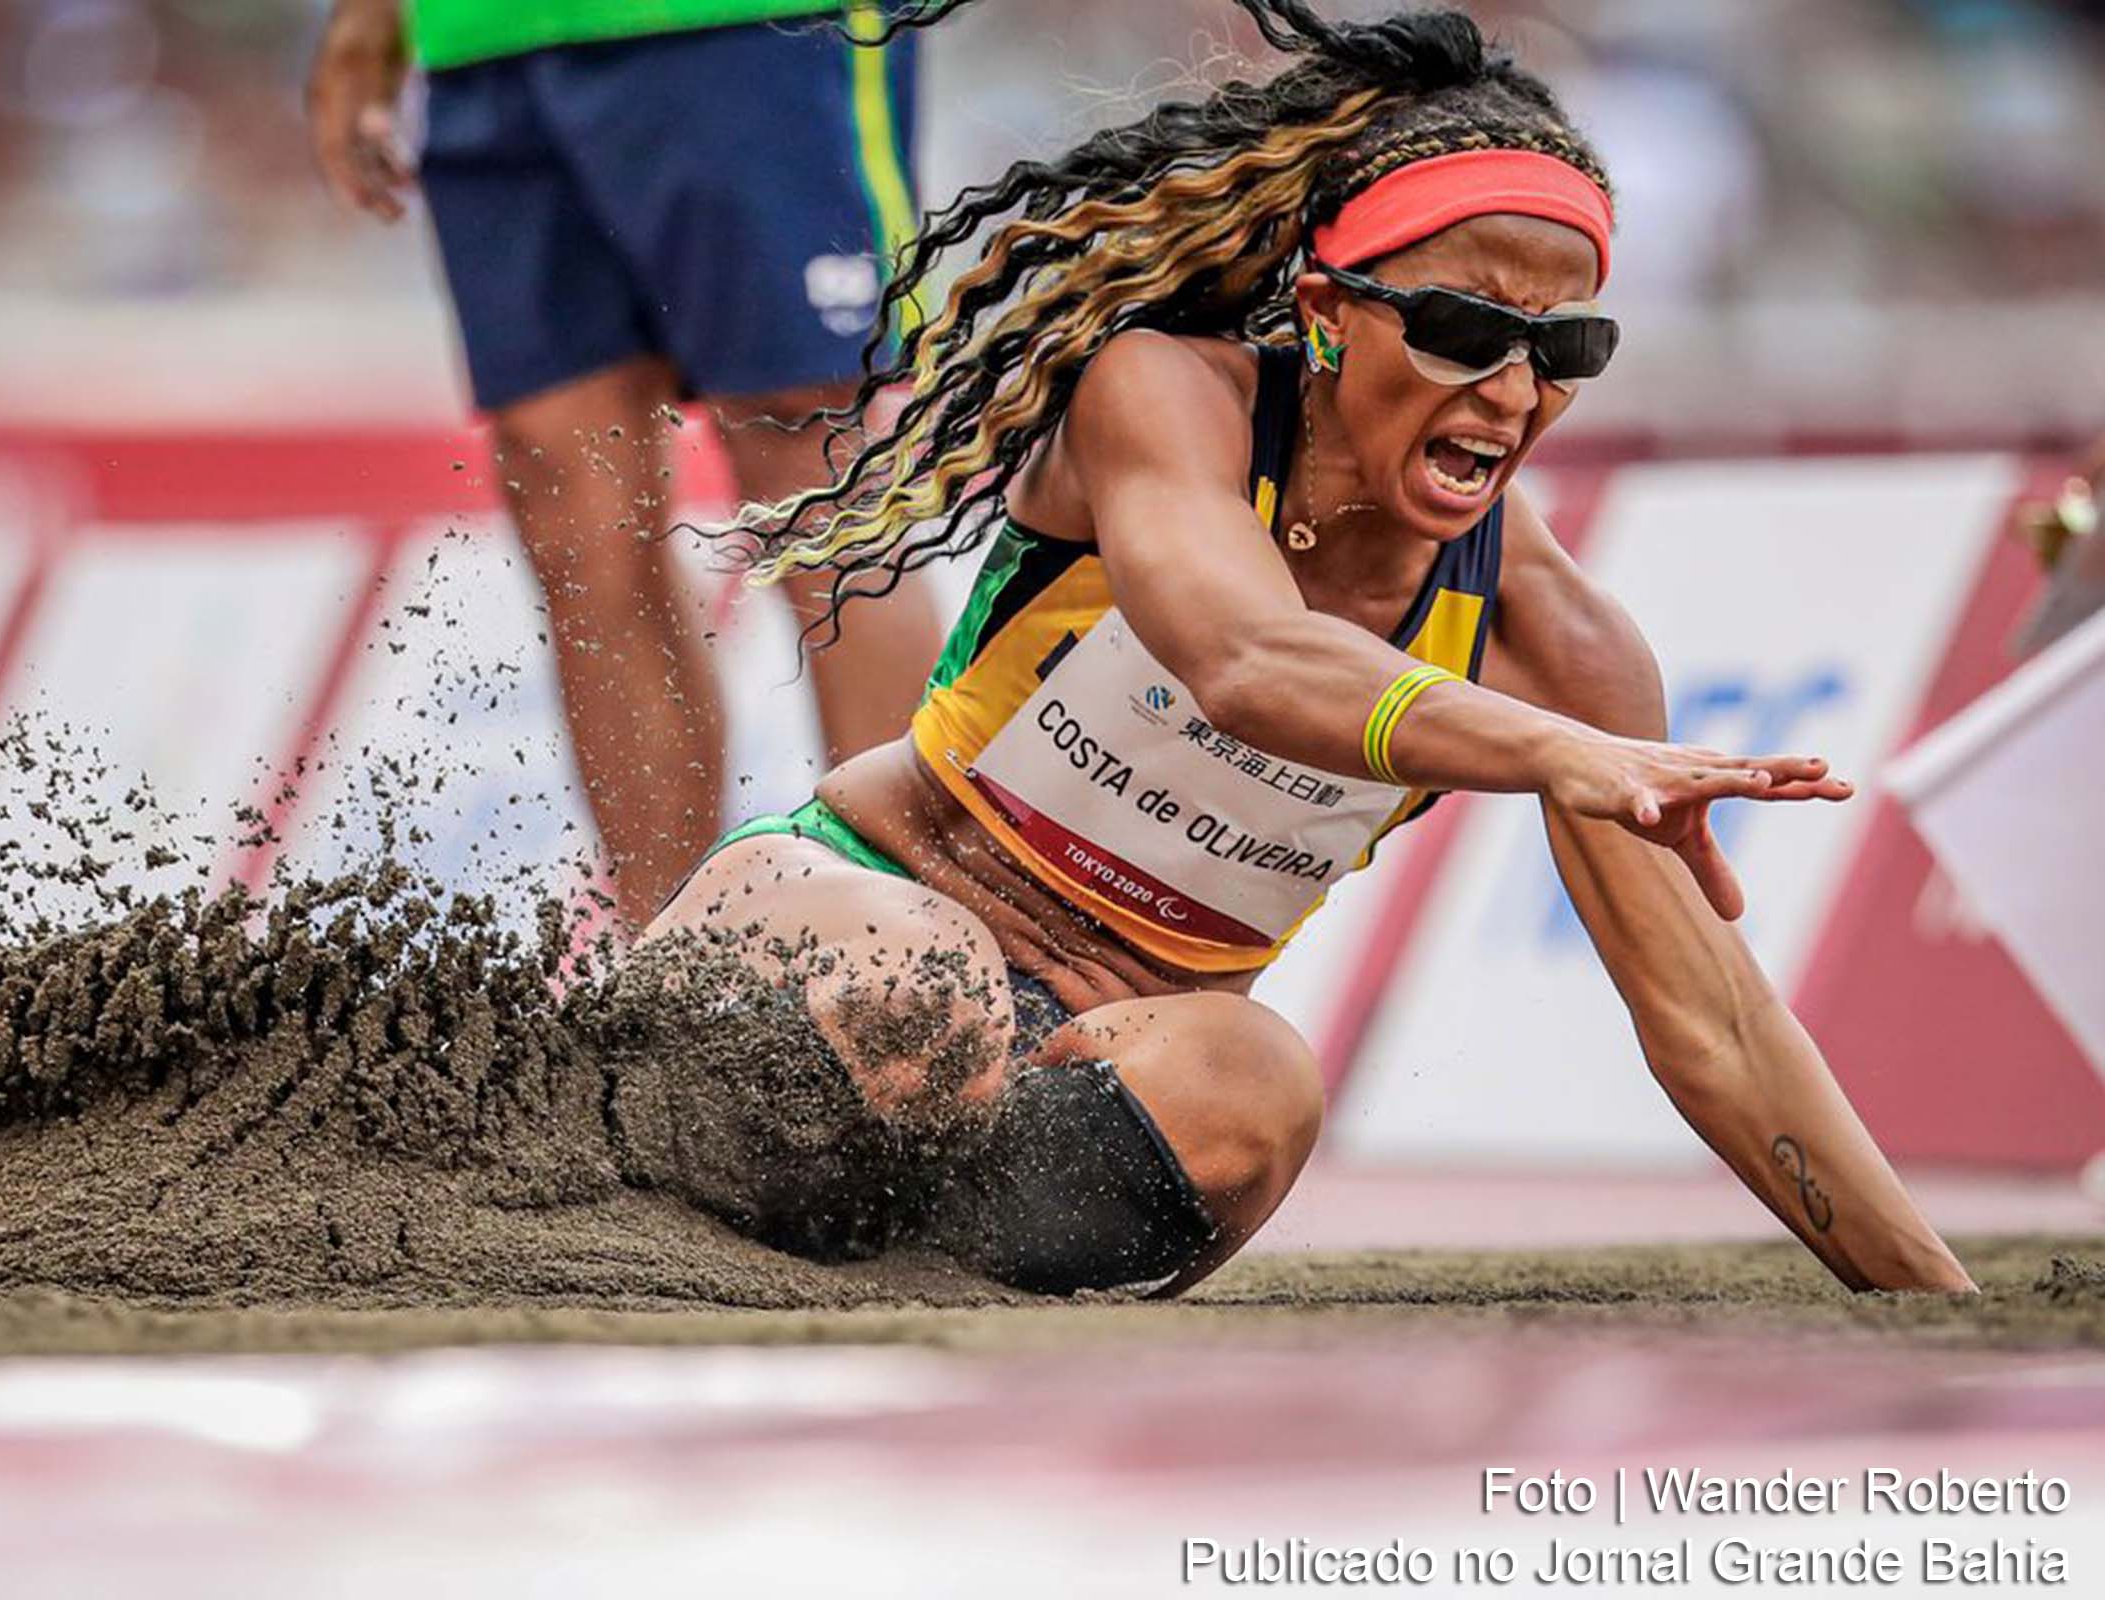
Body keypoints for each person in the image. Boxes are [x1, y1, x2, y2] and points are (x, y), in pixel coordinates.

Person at [645, 0, 1977, 1298]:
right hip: (854, 904)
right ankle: (616, 1140)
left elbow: (1720, 1028)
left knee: (1261, 1094)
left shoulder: (1556, 647)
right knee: (927, 1002)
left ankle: (918, 1272)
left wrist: (1931, 1294)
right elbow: (1248, 660)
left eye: (1564, 348)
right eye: (1463, 332)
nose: (1511, 394)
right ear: (1333, 309)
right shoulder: (1168, 394)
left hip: (1101, 1042)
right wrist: (1556, 752)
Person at [307, 0, 941, 918]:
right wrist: (369, 20)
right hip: (486, 37)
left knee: (813, 472)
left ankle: (921, 965)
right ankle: (668, 976)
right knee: (574, 509)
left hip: (749, 27)